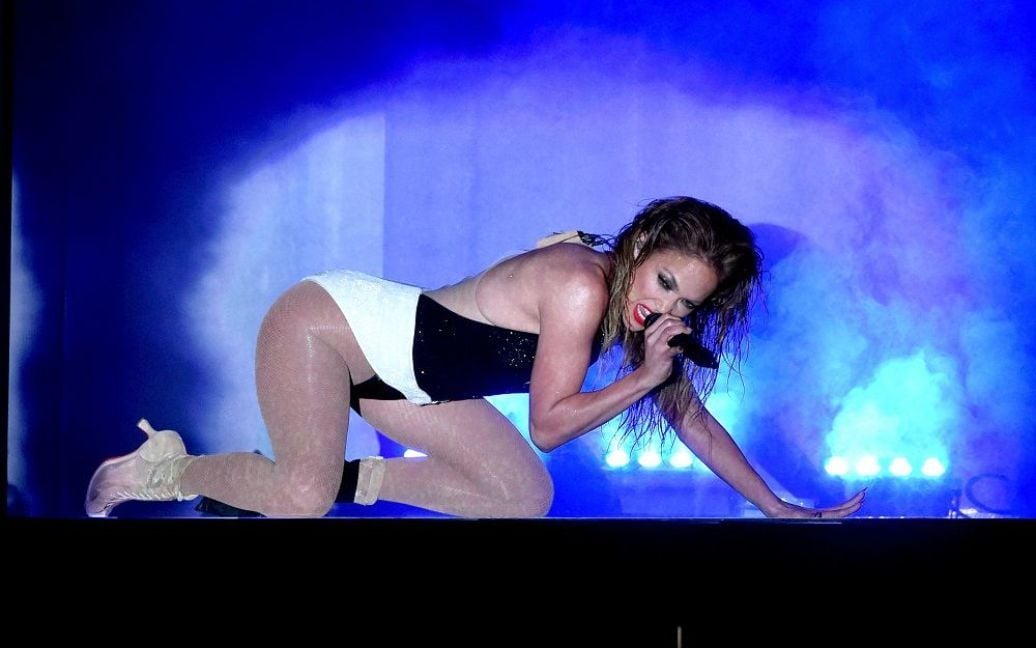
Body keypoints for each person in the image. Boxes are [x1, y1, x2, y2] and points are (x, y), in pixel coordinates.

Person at [84, 196, 865, 519]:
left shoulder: (629, 308)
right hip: (324, 327)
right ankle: (169, 468)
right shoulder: (582, 287)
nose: (666, 311)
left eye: (686, 306)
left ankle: (289, 481)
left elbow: (689, 418)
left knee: (522, 495)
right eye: (665, 283)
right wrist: (643, 376)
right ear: (642, 246)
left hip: (408, 382)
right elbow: (551, 425)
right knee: (302, 496)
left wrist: (776, 507)